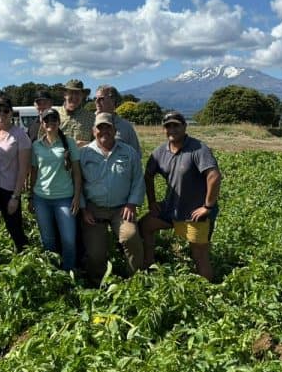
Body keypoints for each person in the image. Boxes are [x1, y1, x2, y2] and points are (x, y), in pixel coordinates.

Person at [139, 111, 222, 282]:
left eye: (176, 125)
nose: (172, 129)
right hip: (171, 209)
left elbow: (214, 175)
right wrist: (152, 202)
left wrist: (207, 206)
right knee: (145, 225)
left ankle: (208, 292)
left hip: (193, 214)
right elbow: (148, 175)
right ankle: (148, 265)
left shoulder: (198, 149)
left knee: (199, 255)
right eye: (168, 126)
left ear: (184, 127)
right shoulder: (160, 152)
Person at [80, 113, 145, 284]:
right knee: (95, 253)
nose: (104, 131)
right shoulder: (84, 154)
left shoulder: (128, 152)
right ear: (94, 131)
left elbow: (138, 179)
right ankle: (98, 282)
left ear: (114, 130)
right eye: (100, 128)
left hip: (121, 208)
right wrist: (83, 208)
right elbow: (77, 183)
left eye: (108, 127)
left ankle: (134, 279)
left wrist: (132, 204)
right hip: (93, 209)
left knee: (130, 237)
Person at [29, 108, 82, 271]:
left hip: (64, 198)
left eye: (53, 120)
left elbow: (77, 173)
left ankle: (68, 271)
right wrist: (31, 196)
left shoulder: (69, 143)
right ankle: (52, 272)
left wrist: (77, 197)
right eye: (46, 120)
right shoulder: (36, 145)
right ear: (43, 124)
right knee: (48, 239)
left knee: (68, 239)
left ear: (59, 122)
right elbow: (34, 172)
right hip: (41, 198)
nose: (50, 123)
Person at [0, 97, 31, 261]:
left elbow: (23, 168)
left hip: (9, 190)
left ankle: (27, 261)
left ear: (11, 112)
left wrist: (16, 197)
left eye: (5, 110)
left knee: (15, 229)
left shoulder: (20, 135)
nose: (1, 114)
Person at [93, 84, 141, 155]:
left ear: (113, 100)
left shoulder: (126, 127)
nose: (96, 102)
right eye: (95, 98)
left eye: (101, 98)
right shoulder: (88, 122)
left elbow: (136, 156)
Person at [57, 79, 95, 147]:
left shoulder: (92, 118)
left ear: (82, 96)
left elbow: (99, 144)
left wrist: (87, 144)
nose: (74, 97)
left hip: (84, 157)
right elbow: (43, 143)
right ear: (64, 94)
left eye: (77, 93)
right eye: (71, 92)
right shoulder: (53, 115)